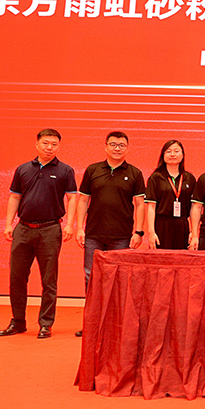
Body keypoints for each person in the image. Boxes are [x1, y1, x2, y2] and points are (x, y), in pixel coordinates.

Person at [0, 128, 77, 339]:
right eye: (45, 143)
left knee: (49, 280)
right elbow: (14, 197)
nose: (49, 147)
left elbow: (72, 198)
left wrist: (70, 225)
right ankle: (18, 322)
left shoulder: (65, 170)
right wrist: (8, 224)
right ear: (37, 144)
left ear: (58, 147)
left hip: (50, 230)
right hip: (23, 229)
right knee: (17, 277)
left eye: (54, 144)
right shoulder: (23, 169)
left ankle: (46, 323)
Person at [76, 131, 146, 335]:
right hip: (93, 234)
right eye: (113, 144)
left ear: (127, 148)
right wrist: (79, 228)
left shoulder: (135, 173)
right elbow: (83, 200)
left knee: (120, 280)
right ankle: (91, 323)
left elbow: (140, 204)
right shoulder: (93, 170)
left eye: (121, 145)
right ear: (105, 147)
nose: (117, 148)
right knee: (91, 278)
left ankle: (116, 324)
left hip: (122, 236)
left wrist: (138, 232)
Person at [144, 140, 196, 250]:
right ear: (163, 155)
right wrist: (151, 232)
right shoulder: (155, 178)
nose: (172, 154)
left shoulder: (189, 179)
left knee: (181, 258)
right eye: (168, 151)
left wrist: (193, 232)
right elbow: (151, 207)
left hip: (182, 225)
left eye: (176, 151)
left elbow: (193, 208)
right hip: (162, 225)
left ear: (182, 155)